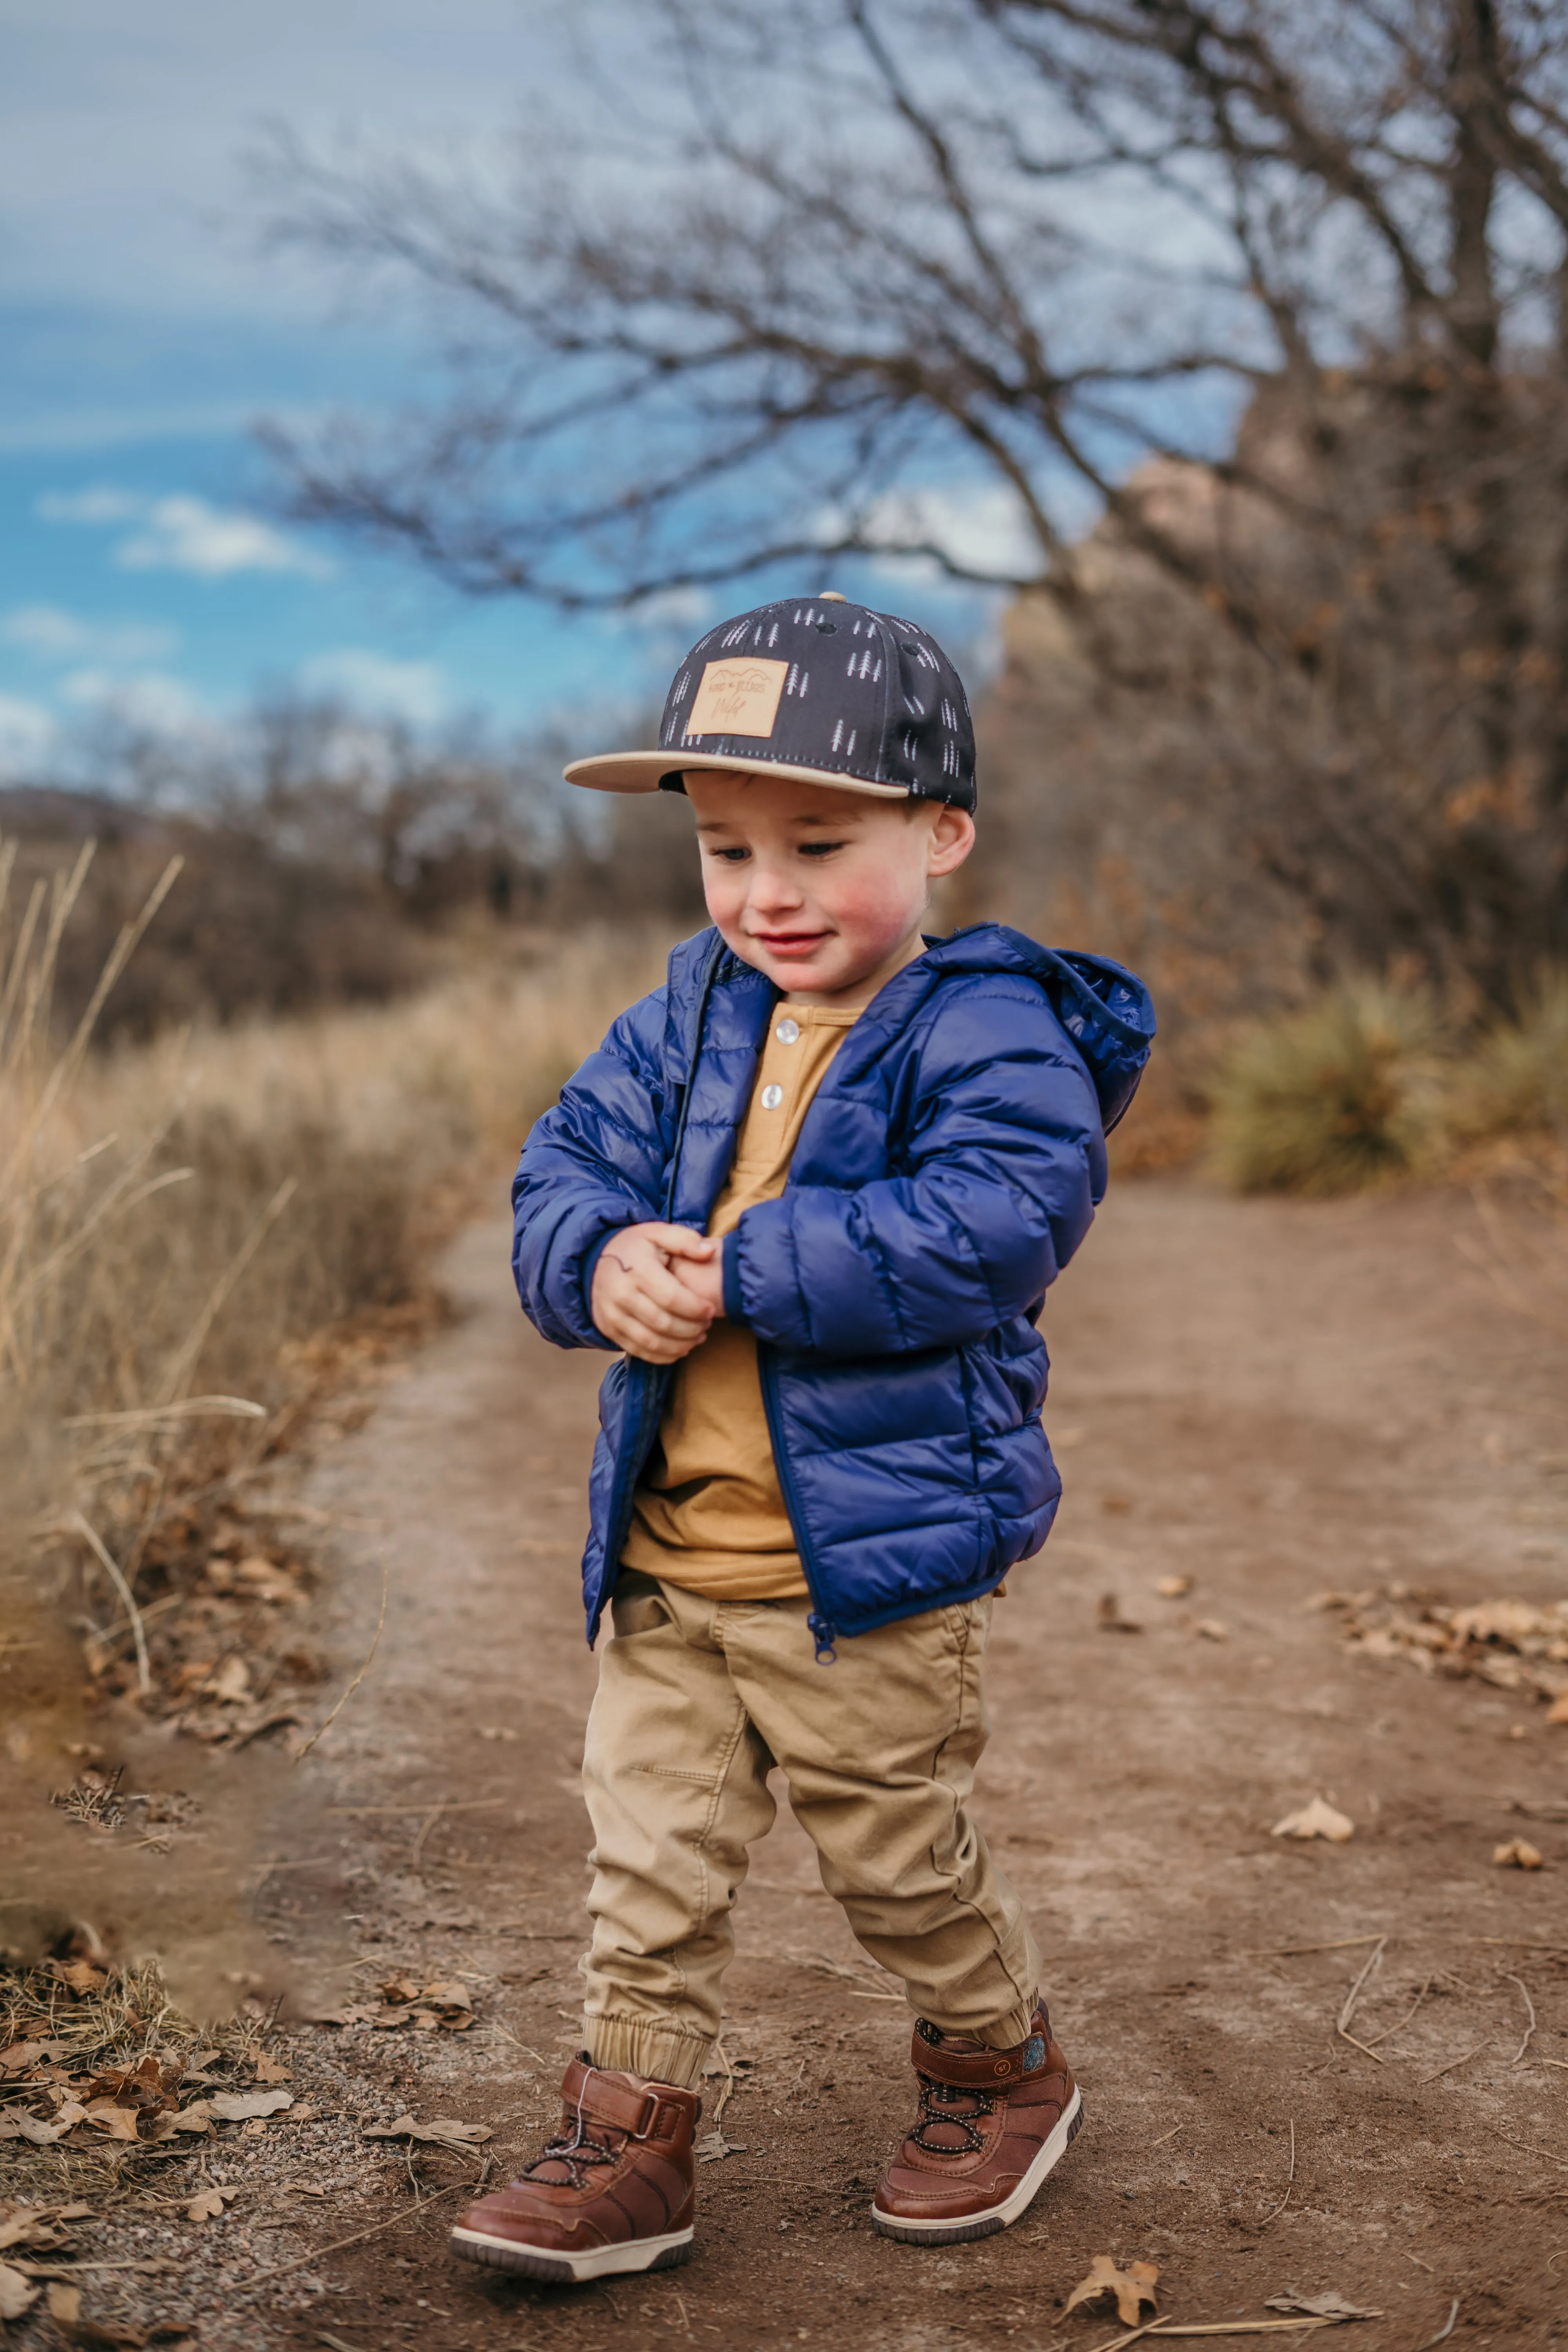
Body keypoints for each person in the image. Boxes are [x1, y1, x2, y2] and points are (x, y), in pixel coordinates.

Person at [450, 595, 1154, 2285]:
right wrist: (600, 1258)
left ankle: (997, 2064)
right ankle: (633, 2136)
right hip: (674, 1563)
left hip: (868, 1568)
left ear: (942, 835)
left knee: (897, 1861)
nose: (764, 893)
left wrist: (749, 1263)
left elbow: (997, 1219)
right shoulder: (685, 1012)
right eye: (725, 850)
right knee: (649, 1860)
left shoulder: (987, 1024)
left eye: (818, 843)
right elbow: (566, 1164)